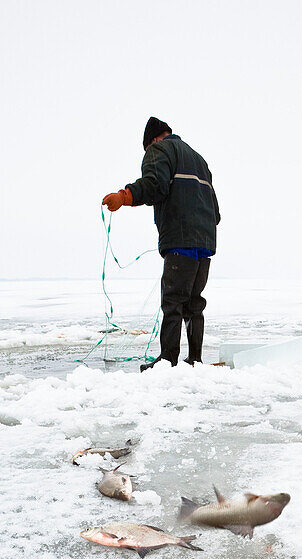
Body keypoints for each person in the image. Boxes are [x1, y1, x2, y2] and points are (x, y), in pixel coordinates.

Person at [102, 118, 220, 372]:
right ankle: (195, 360)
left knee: (173, 301)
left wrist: (124, 196)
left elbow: (155, 185)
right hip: (205, 242)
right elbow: (216, 211)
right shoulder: (199, 160)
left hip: (180, 238)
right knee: (194, 303)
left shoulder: (160, 150)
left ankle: (167, 361)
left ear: (152, 140)